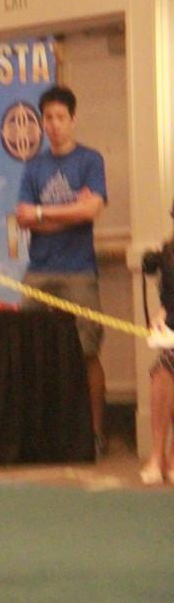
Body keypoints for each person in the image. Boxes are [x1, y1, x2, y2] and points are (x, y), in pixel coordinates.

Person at [14, 85, 109, 457]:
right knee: (28, 351)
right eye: (47, 118)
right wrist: (69, 212)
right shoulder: (34, 166)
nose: (53, 125)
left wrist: (43, 213)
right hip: (38, 271)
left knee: (87, 352)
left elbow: (91, 211)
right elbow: (23, 218)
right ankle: (37, 436)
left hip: (79, 272)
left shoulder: (90, 160)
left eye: (59, 118)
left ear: (72, 119)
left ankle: (96, 434)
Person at [140, 200, 174, 485]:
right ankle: (157, 455)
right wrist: (161, 317)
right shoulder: (169, 253)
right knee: (163, 370)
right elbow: (168, 301)